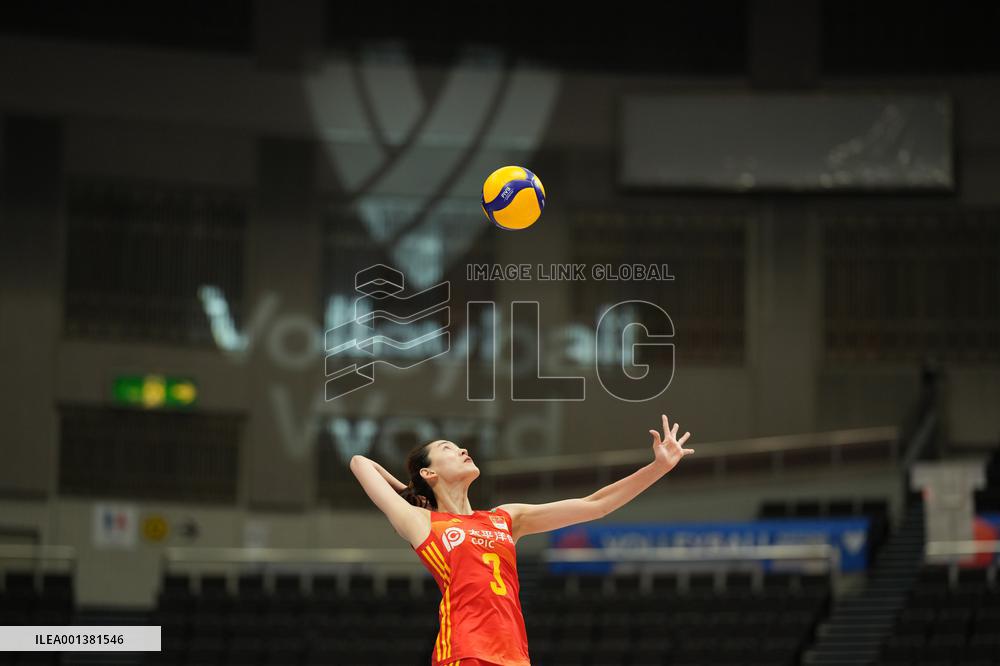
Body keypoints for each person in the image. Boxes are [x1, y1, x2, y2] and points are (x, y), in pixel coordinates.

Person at [349, 414, 694, 666]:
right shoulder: (422, 522)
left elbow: (596, 505)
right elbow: (360, 461)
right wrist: (410, 495)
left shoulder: (505, 518)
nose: (463, 449)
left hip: (515, 657)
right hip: (465, 652)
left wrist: (658, 468)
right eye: (448, 448)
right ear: (429, 472)